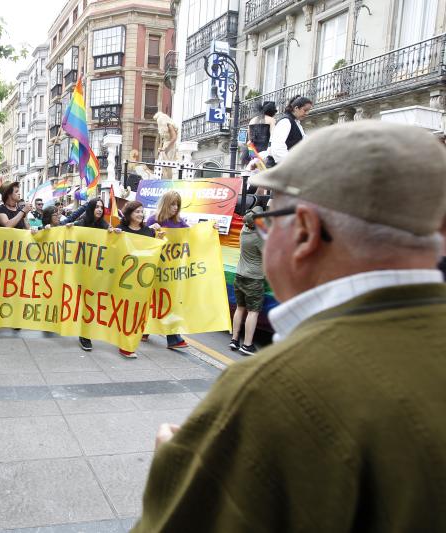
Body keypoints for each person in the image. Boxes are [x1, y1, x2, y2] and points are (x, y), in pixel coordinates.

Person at [133, 121, 446, 532]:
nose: (265, 232)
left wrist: (174, 470)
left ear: (305, 233)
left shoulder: (274, 390)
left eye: (271, 219)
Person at [72, 198, 121, 353]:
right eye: (97, 207)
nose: (100, 209)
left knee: (91, 302)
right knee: (81, 301)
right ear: (91, 208)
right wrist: (67, 228)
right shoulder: (80, 224)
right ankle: (82, 332)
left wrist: (116, 234)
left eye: (102, 207)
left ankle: (85, 334)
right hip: (80, 269)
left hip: (96, 271)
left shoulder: (105, 226)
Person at [144, 190, 190, 351]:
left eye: (177, 204)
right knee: (155, 301)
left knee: (167, 302)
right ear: (165, 204)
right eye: (172, 204)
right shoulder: (153, 219)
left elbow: (192, 235)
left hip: (170, 272)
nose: (175, 208)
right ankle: (166, 335)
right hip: (155, 269)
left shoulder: (180, 223)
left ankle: (168, 336)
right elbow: (142, 240)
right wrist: (151, 229)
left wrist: (210, 228)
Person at [229, 206, 265, 355]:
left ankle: (234, 339)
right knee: (253, 312)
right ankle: (247, 345)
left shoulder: (244, 230)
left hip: (239, 275)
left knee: (240, 308)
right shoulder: (258, 238)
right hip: (253, 278)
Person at [268, 95, 312, 164]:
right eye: (305, 110)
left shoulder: (296, 123)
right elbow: (278, 147)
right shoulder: (285, 121)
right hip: (280, 167)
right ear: (296, 108)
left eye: (308, 111)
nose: (307, 113)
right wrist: (290, 164)